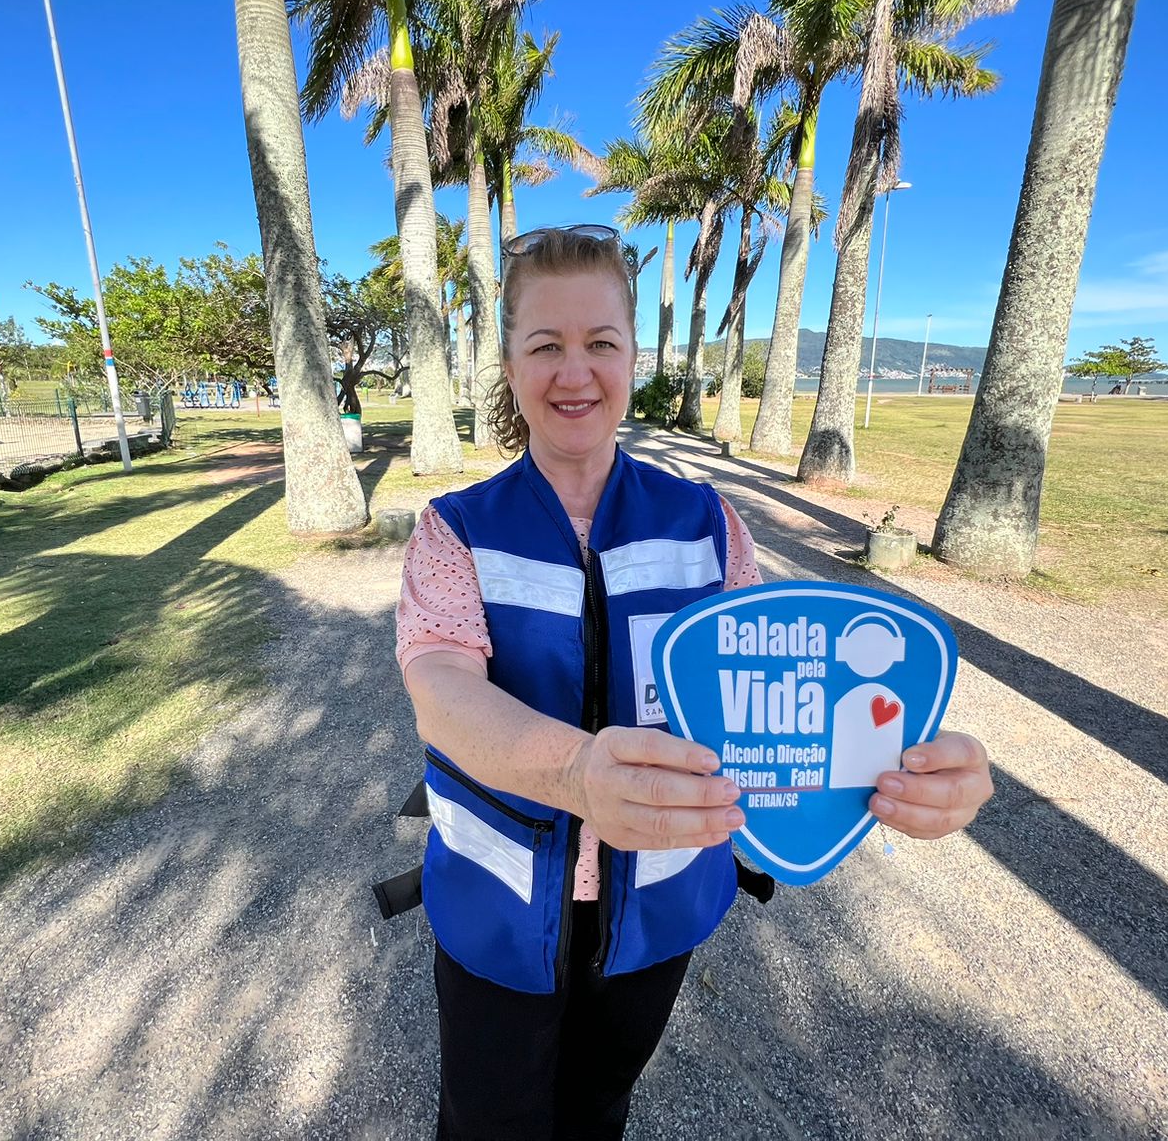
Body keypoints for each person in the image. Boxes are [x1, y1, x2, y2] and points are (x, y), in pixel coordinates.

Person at [395, 225, 993, 1140]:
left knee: (599, 1107)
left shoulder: (710, 524)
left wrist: (907, 773)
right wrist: (575, 775)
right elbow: (442, 688)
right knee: (487, 1123)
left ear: (634, 355)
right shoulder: (455, 531)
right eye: (545, 345)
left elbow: (781, 692)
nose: (575, 372)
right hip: (498, 913)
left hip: (659, 910)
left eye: (601, 343)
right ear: (508, 363)